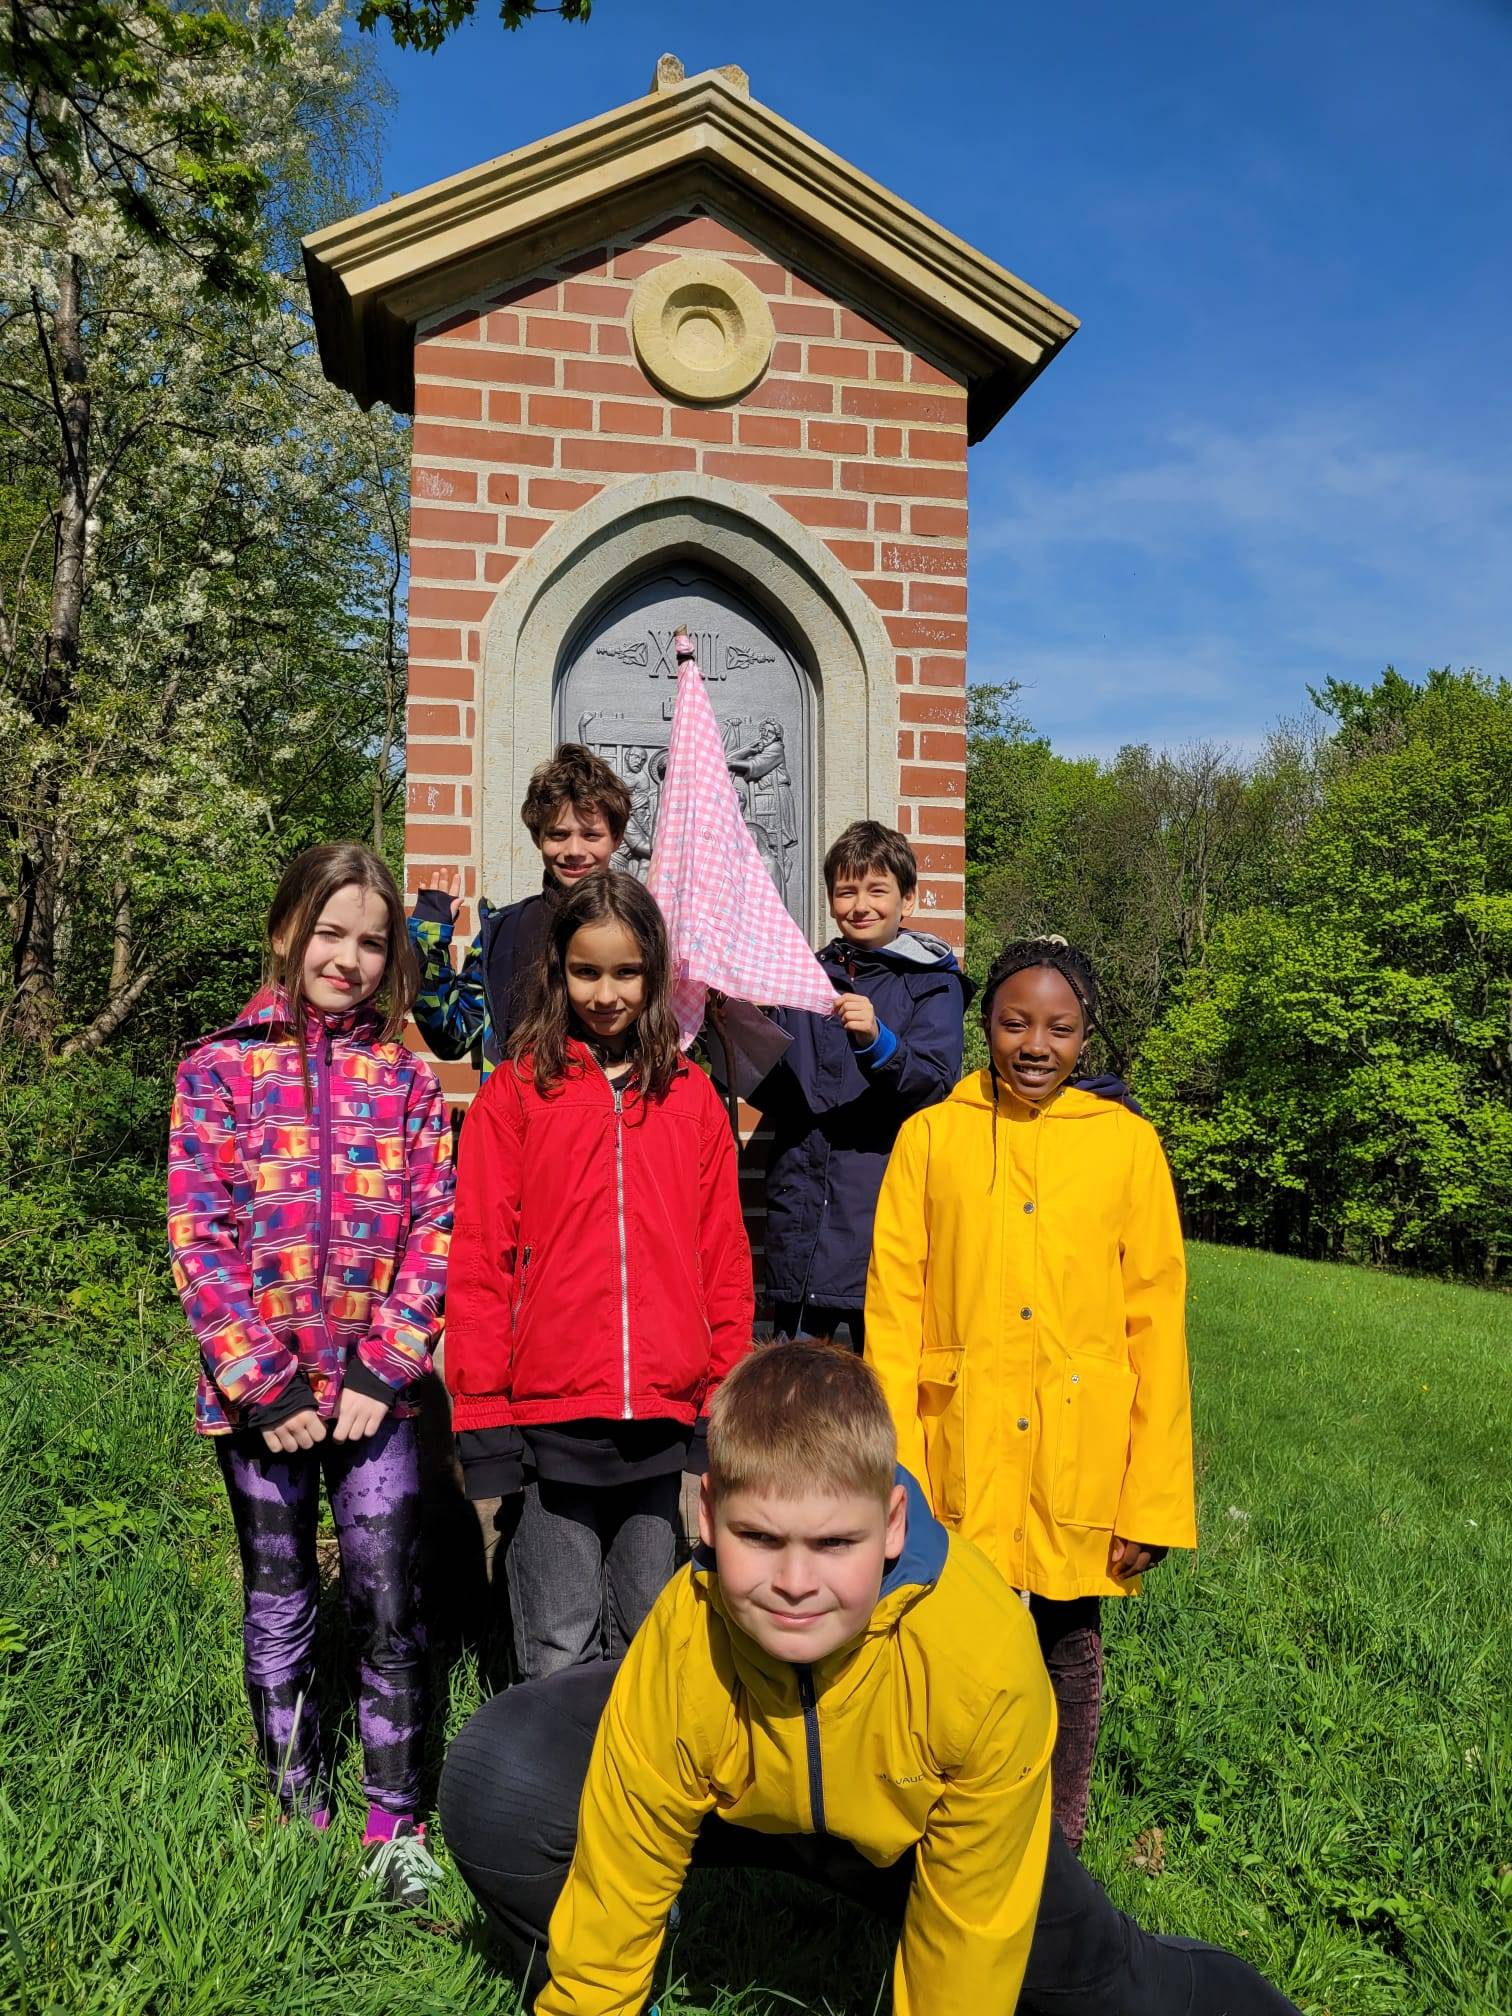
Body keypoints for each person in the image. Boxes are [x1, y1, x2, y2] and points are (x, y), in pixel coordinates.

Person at [437, 1343, 1298, 2016]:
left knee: (1117, 1988)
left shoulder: (980, 1656)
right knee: (500, 1775)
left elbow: (966, 1959)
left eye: (833, 1543)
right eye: (759, 1538)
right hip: (742, 1801)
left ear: (890, 1525)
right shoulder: (683, 1636)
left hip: (922, 1830)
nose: (795, 1582)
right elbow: (622, 1866)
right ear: (708, 1516)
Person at [865, 936, 1196, 1851]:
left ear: (1087, 1036)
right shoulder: (932, 1136)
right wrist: (890, 1470)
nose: (1036, 1046)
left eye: (1060, 1027)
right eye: (1016, 1023)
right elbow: (891, 1313)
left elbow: (1157, 1325)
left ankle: (1058, 1850)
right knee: (939, 1643)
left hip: (1075, 1452)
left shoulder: (1127, 1146)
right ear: (987, 1027)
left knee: (1066, 1646)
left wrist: (1149, 1501)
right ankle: (943, 1836)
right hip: (953, 1444)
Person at [167, 842, 452, 1905]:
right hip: (262, 1404)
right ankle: (297, 1810)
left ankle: (396, 1822)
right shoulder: (218, 1069)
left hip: (378, 1397)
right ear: (286, 931)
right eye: (330, 933)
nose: (348, 958)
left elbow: (435, 1232)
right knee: (281, 1600)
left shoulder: (409, 1082)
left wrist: (385, 1366)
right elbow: (199, 1234)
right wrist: (263, 1384)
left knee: (386, 1601)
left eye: (372, 942)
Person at [444, 869, 755, 1680]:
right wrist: (482, 1409)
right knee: (558, 1645)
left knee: (651, 1641)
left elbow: (723, 1256)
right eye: (586, 971)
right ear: (558, 970)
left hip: (660, 1418)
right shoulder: (516, 1093)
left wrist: (722, 1393)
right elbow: (479, 1259)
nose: (606, 994)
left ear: (654, 974)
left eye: (626, 973)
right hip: (548, 1419)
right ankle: (554, 1768)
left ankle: (635, 1771)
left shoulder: (690, 1097)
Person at [741, 820, 968, 1353]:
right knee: (797, 1387)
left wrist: (877, 1041)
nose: (860, 905)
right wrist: (731, 1032)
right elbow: (779, 1091)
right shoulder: (805, 980)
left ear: (907, 900)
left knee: (880, 1384)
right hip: (802, 1221)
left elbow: (934, 1086)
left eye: (876, 890)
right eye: (846, 891)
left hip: (880, 1220)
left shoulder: (933, 982)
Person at [407, 744, 632, 1083]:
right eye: (558, 835)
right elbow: (452, 1037)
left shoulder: (639, 929)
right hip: (518, 1112)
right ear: (538, 837)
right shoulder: (503, 932)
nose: (574, 850)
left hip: (611, 1113)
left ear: (615, 838)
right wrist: (427, 939)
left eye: (591, 835)